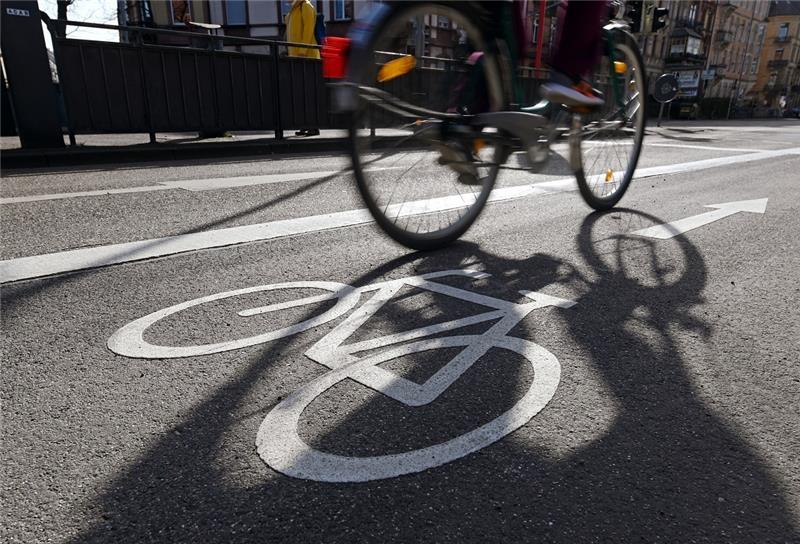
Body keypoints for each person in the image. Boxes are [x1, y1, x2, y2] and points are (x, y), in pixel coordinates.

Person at [286, 0, 321, 136]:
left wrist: (302, 51)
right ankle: (305, 125)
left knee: (309, 93)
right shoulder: (294, 9)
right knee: (301, 93)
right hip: (297, 57)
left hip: (307, 56)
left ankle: (313, 126)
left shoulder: (305, 6)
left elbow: (308, 29)